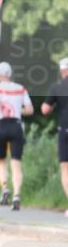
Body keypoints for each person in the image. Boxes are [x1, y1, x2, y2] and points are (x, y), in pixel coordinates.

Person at [0, 62, 33, 211]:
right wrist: (17, 111)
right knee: (16, 163)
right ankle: (17, 196)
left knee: (1, 161)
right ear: (10, 74)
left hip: (1, 125)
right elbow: (30, 109)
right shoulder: (21, 89)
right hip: (16, 126)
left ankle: (5, 188)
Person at [41, 58, 68, 217]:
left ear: (62, 71)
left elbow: (45, 110)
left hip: (64, 130)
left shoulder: (57, 87)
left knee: (65, 167)